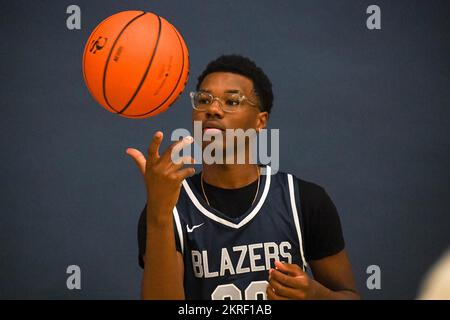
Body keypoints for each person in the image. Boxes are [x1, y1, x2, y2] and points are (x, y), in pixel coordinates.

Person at [127, 55, 360, 300]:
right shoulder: (168, 206)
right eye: (204, 100)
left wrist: (315, 295)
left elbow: (349, 295)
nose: (213, 110)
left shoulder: (303, 200)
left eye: (231, 101)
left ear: (260, 121)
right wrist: (159, 215)